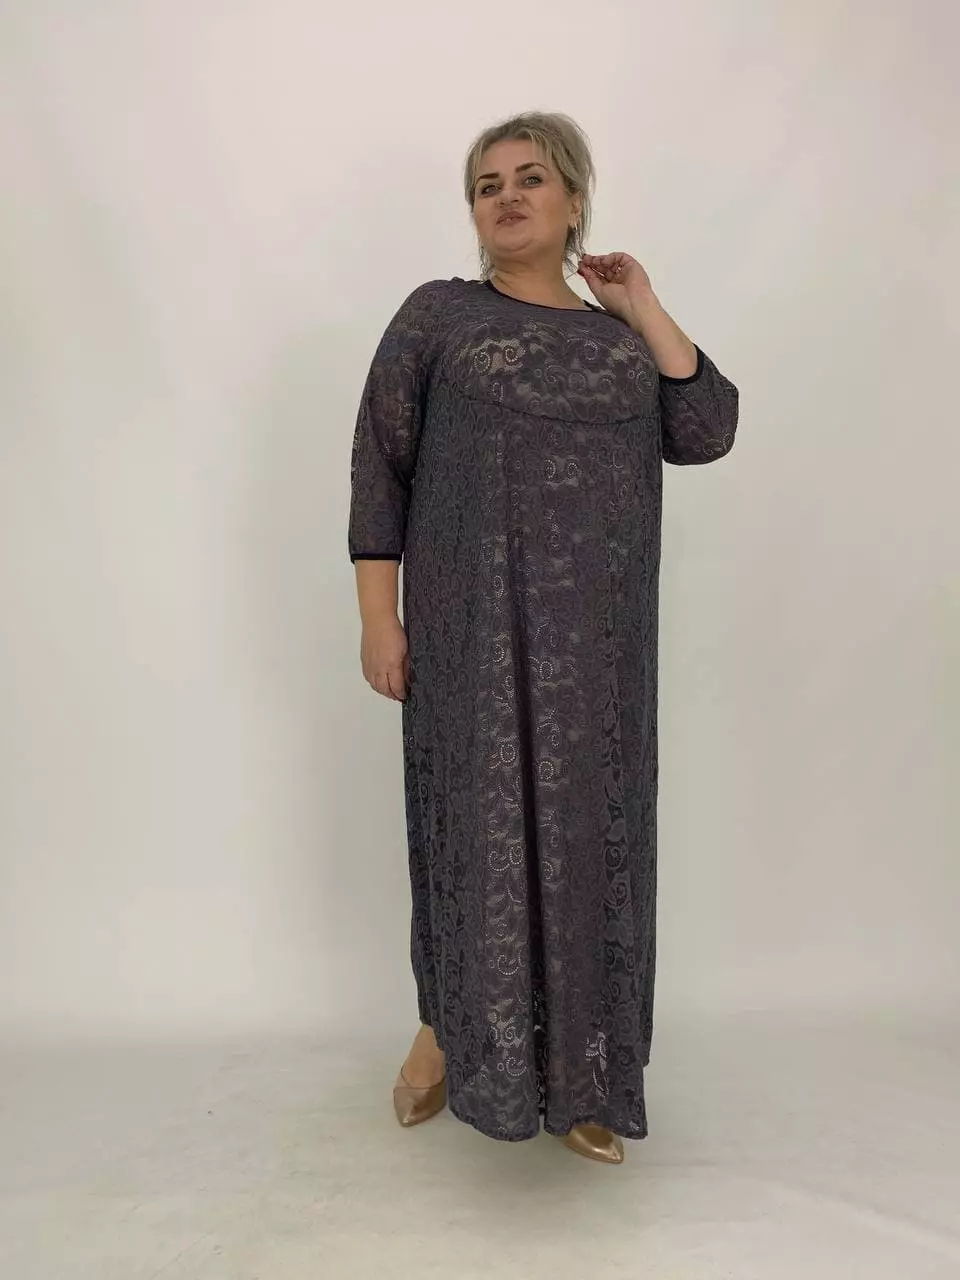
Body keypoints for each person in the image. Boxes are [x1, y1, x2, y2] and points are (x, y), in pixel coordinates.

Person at [347, 111, 739, 1165]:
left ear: (573, 200)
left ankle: (587, 1073)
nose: (508, 196)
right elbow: (380, 463)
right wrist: (380, 616)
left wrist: (639, 301)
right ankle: (446, 1029)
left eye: (530, 178)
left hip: (599, 657)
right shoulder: (439, 315)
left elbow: (707, 429)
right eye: (488, 185)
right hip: (470, 635)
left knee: (590, 844)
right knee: (473, 836)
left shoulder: (620, 339)